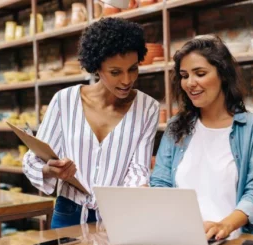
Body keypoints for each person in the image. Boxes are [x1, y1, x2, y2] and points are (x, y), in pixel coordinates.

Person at [23, 17, 160, 229]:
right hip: (68, 212)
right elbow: (34, 159)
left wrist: (140, 194)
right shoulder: (64, 101)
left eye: (132, 69)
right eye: (115, 72)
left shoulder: (148, 108)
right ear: (96, 67)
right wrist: (51, 170)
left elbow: (139, 168)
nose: (126, 80)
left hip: (119, 215)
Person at [149, 35, 253, 240]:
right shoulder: (176, 127)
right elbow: (160, 183)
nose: (190, 83)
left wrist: (224, 226)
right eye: (184, 75)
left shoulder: (251, 128)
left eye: (200, 73)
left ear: (222, 74)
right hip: (183, 241)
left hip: (231, 241)